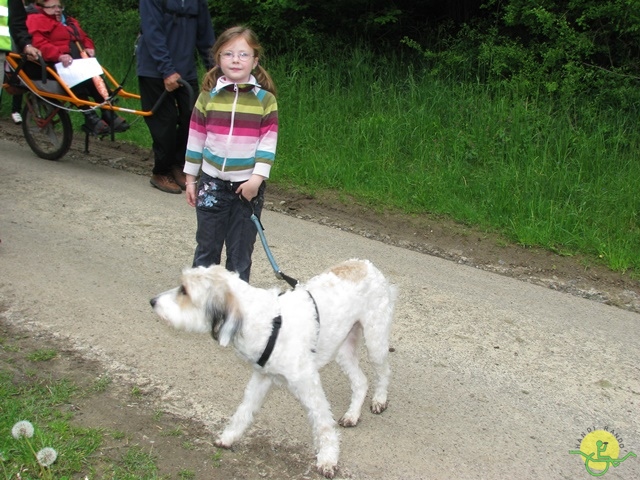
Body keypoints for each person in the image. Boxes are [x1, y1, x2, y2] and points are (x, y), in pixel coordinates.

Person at [184, 26, 278, 282]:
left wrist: (256, 179)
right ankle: (201, 308)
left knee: (239, 254)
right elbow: (195, 138)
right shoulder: (207, 98)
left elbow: (268, 143)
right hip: (211, 183)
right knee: (207, 250)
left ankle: (235, 314)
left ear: (255, 61)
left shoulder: (265, 100)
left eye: (243, 54)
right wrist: (191, 178)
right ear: (218, 59)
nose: (236, 60)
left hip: (246, 188)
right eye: (228, 54)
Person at [136, 0, 215, 194]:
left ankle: (178, 165)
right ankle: (161, 171)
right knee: (165, 121)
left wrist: (214, 70)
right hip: (155, 70)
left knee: (194, 119)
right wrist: (166, 70)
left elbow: (205, 36)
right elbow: (152, 31)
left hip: (185, 70)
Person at [26, 0, 128, 135]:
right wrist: (59, 55)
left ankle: (107, 112)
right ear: (41, 7)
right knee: (78, 76)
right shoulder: (36, 20)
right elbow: (39, 44)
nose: (57, 10)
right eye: (52, 7)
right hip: (53, 63)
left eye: (59, 6)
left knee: (95, 76)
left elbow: (83, 37)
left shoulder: (68, 21)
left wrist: (89, 47)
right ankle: (90, 117)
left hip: (76, 61)